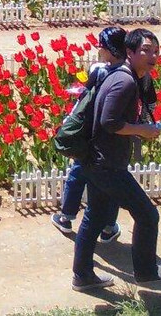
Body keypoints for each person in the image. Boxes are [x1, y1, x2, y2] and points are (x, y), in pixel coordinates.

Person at [71, 28, 161, 292]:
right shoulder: (126, 81)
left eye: (155, 51)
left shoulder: (123, 75)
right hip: (107, 165)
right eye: (145, 50)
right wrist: (142, 130)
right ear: (129, 52)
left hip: (96, 160)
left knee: (95, 216)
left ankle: (82, 275)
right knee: (147, 214)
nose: (152, 56)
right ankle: (146, 272)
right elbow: (110, 122)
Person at [52, 27, 127, 243]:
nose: (98, 49)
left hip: (91, 133)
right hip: (115, 137)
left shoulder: (99, 70)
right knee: (112, 180)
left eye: (101, 46)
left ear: (110, 49)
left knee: (78, 173)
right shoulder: (129, 73)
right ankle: (108, 226)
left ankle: (66, 217)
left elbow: (85, 96)